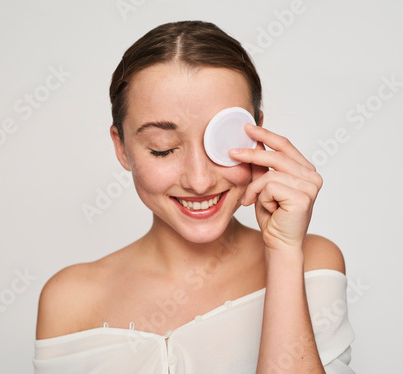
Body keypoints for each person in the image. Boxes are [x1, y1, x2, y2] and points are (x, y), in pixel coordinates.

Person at [33, 20, 354, 373]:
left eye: (223, 143)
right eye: (162, 149)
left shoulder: (311, 263)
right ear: (121, 147)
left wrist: (283, 253)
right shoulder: (69, 300)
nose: (199, 182)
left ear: (257, 135)